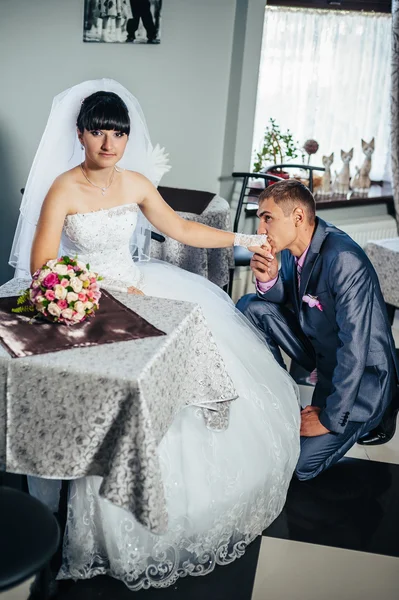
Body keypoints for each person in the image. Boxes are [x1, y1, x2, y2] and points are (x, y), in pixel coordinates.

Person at [9, 79, 300, 591]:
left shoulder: (137, 183)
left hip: (139, 292)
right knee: (94, 398)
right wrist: (77, 293)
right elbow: (42, 264)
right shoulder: (63, 187)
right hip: (84, 301)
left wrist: (247, 237)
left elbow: (184, 231)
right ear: (80, 135)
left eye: (117, 135)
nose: (108, 144)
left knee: (169, 381)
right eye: (98, 133)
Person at [237, 179, 399, 481]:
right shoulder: (291, 248)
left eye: (267, 218)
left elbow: (355, 348)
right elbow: (289, 304)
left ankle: (383, 409)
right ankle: (281, 399)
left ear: (297, 217)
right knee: (250, 306)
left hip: (363, 377)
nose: (261, 229)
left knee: (299, 466)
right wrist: (270, 279)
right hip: (322, 351)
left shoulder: (343, 259)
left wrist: (328, 419)